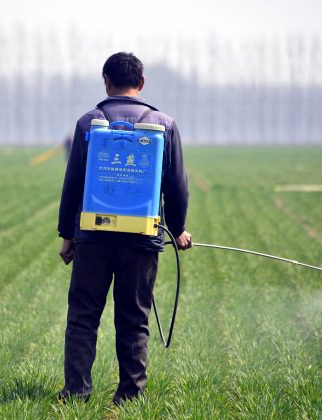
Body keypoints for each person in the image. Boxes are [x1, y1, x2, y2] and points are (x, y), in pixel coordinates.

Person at [57, 52, 192, 405]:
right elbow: (177, 186)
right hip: (142, 241)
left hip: (92, 237)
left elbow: (73, 185)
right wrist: (177, 230)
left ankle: (77, 392)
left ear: (106, 80)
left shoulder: (90, 123)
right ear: (142, 83)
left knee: (83, 317)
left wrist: (67, 236)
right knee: (134, 319)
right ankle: (130, 395)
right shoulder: (164, 124)